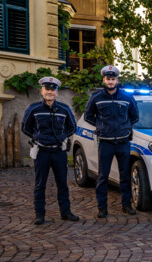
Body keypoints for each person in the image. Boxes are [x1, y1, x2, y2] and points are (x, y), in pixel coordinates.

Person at [22, 77, 79, 225]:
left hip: (58, 151)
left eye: (52, 90)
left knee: (62, 184)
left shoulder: (64, 109)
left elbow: (72, 127)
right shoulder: (34, 109)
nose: (50, 92)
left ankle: (65, 212)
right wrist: (36, 137)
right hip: (42, 151)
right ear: (42, 91)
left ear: (57, 92)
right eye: (47, 89)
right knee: (40, 184)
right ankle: (39, 214)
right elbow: (25, 127)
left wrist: (63, 137)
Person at [84, 65, 139, 218]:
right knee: (103, 176)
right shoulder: (97, 97)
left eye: (113, 79)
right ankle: (102, 208)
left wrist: (125, 128)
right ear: (104, 80)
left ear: (117, 80)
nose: (110, 81)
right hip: (105, 142)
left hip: (123, 142)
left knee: (125, 176)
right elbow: (88, 116)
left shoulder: (127, 97)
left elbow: (135, 116)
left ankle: (126, 205)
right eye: (108, 79)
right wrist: (101, 127)